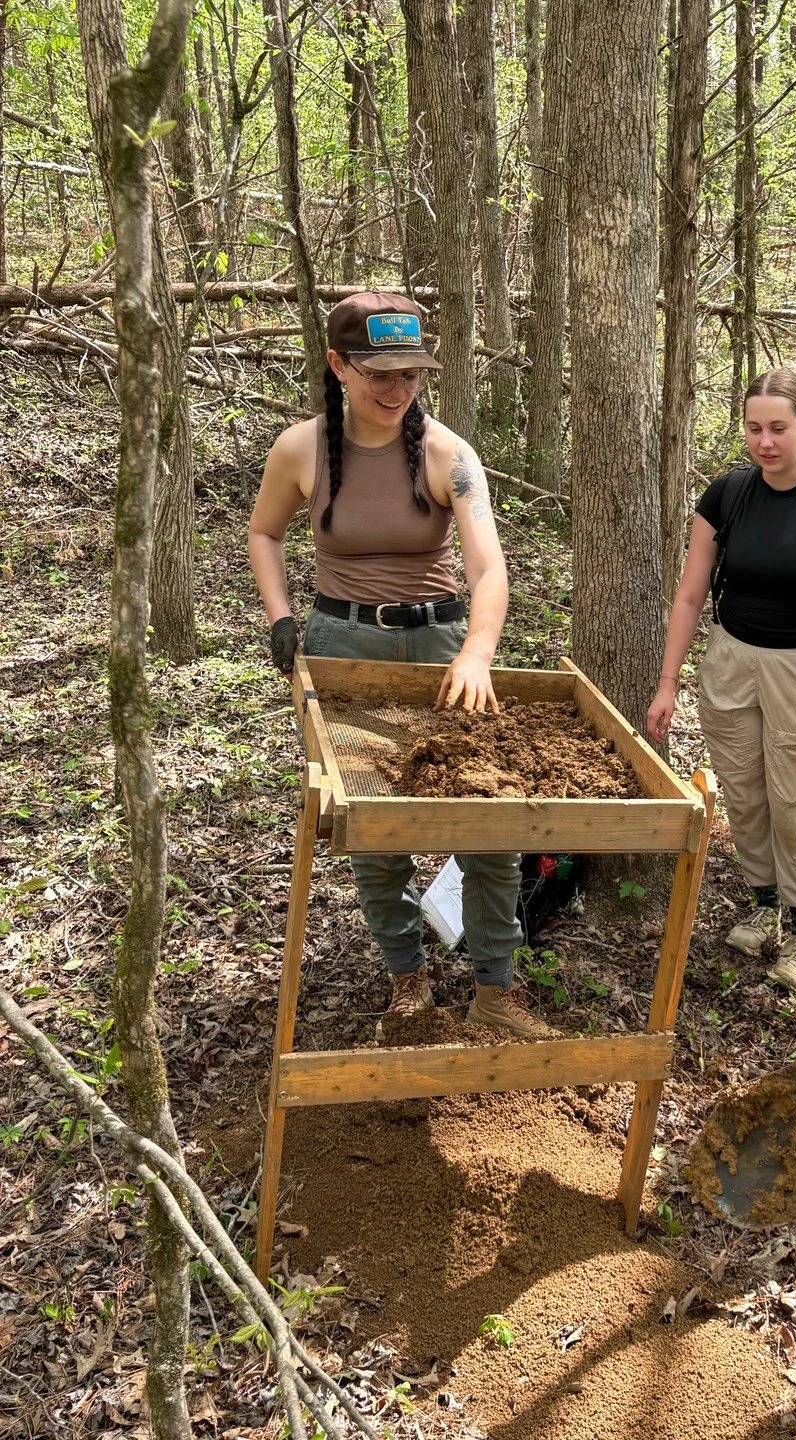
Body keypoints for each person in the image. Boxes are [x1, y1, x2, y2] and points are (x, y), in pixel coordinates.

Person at [246, 291, 557, 1041]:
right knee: (373, 828)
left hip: (444, 650)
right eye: (379, 374)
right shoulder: (302, 449)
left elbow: (489, 570)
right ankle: (406, 978)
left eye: (411, 375)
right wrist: (282, 618)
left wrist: (479, 651)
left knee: (491, 826)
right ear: (337, 366)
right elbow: (263, 534)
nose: (396, 391)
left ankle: (495, 993)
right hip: (345, 649)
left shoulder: (451, 455)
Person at [646, 368, 796, 993]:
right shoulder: (728, 494)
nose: (765, 441)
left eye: (779, 428)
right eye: (754, 428)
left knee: (794, 802)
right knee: (745, 792)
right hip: (730, 659)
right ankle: (763, 902)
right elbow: (691, 594)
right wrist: (667, 682)